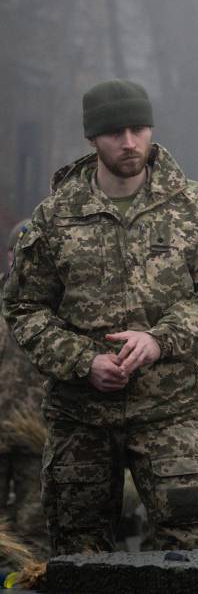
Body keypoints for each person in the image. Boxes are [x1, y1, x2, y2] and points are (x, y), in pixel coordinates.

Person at [2, 79, 198, 554]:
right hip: (81, 416)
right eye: (116, 132)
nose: (130, 142)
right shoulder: (55, 217)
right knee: (80, 552)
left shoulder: (191, 206)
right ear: (93, 138)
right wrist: (82, 360)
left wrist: (162, 338)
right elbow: (22, 305)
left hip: (167, 411)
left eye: (139, 129)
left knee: (190, 548)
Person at [0, 220, 47, 556]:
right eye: (18, 252)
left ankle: (32, 579)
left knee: (35, 521)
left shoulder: (57, 307)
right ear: (8, 255)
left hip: (39, 430)